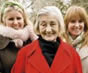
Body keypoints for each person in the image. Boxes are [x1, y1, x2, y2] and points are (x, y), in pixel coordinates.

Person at [11, 6, 83, 73]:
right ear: (38, 27)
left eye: (52, 24)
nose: (48, 30)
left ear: (59, 26)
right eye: (43, 25)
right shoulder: (24, 53)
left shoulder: (72, 54)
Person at [0, 1, 38, 73]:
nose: (15, 22)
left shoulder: (34, 38)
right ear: (3, 20)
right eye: (11, 19)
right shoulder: (1, 42)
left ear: (24, 19)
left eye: (18, 18)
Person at [64, 5, 88, 73]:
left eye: (80, 21)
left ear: (85, 24)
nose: (77, 25)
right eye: (73, 21)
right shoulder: (59, 43)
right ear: (67, 24)